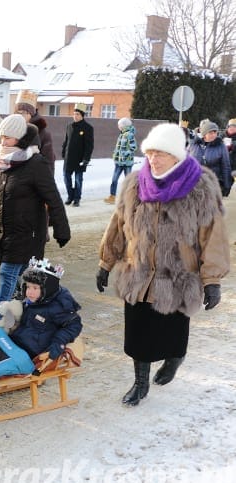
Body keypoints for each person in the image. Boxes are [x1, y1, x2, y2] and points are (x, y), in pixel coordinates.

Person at [97, 123, 230, 407]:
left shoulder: (201, 187)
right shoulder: (134, 183)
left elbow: (213, 237)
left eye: (160, 154)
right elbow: (117, 226)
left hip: (178, 277)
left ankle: (175, 359)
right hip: (139, 273)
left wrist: (212, 281)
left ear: (176, 156)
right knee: (137, 336)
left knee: (173, 334)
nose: (153, 160)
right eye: (150, 153)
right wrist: (106, 263)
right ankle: (140, 382)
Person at [0, 115, 70, 331]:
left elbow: (53, 197)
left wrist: (61, 228)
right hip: (6, 236)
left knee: (6, 281)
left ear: (20, 139)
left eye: (8, 138)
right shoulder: (4, 163)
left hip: (27, 236)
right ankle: (19, 325)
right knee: (21, 287)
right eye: (1, 137)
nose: (3, 142)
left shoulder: (35, 163)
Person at [14, 89, 56, 172]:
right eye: (17, 112)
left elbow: (48, 162)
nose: (20, 116)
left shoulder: (43, 133)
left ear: (31, 114)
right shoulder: (13, 129)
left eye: (23, 112)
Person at [61, 103, 94, 206]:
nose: (75, 116)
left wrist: (86, 159)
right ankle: (70, 196)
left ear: (82, 115)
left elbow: (89, 145)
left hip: (80, 159)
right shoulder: (69, 126)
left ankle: (77, 199)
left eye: (77, 114)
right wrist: (63, 152)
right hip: (68, 158)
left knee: (78, 180)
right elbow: (66, 141)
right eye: (74, 114)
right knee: (66, 178)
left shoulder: (88, 128)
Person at [189, 119, 232, 197]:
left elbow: (226, 167)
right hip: (195, 184)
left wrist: (227, 186)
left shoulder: (221, 146)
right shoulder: (194, 145)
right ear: (204, 134)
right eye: (210, 132)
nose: (213, 135)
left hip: (214, 184)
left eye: (215, 132)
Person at [105, 117, 137, 204]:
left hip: (127, 163)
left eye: (119, 125)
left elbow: (133, 147)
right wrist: (115, 154)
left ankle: (129, 198)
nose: (118, 126)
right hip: (118, 162)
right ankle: (112, 196)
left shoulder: (129, 135)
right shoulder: (121, 134)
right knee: (114, 179)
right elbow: (118, 148)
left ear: (123, 125)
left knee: (128, 181)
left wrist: (124, 154)